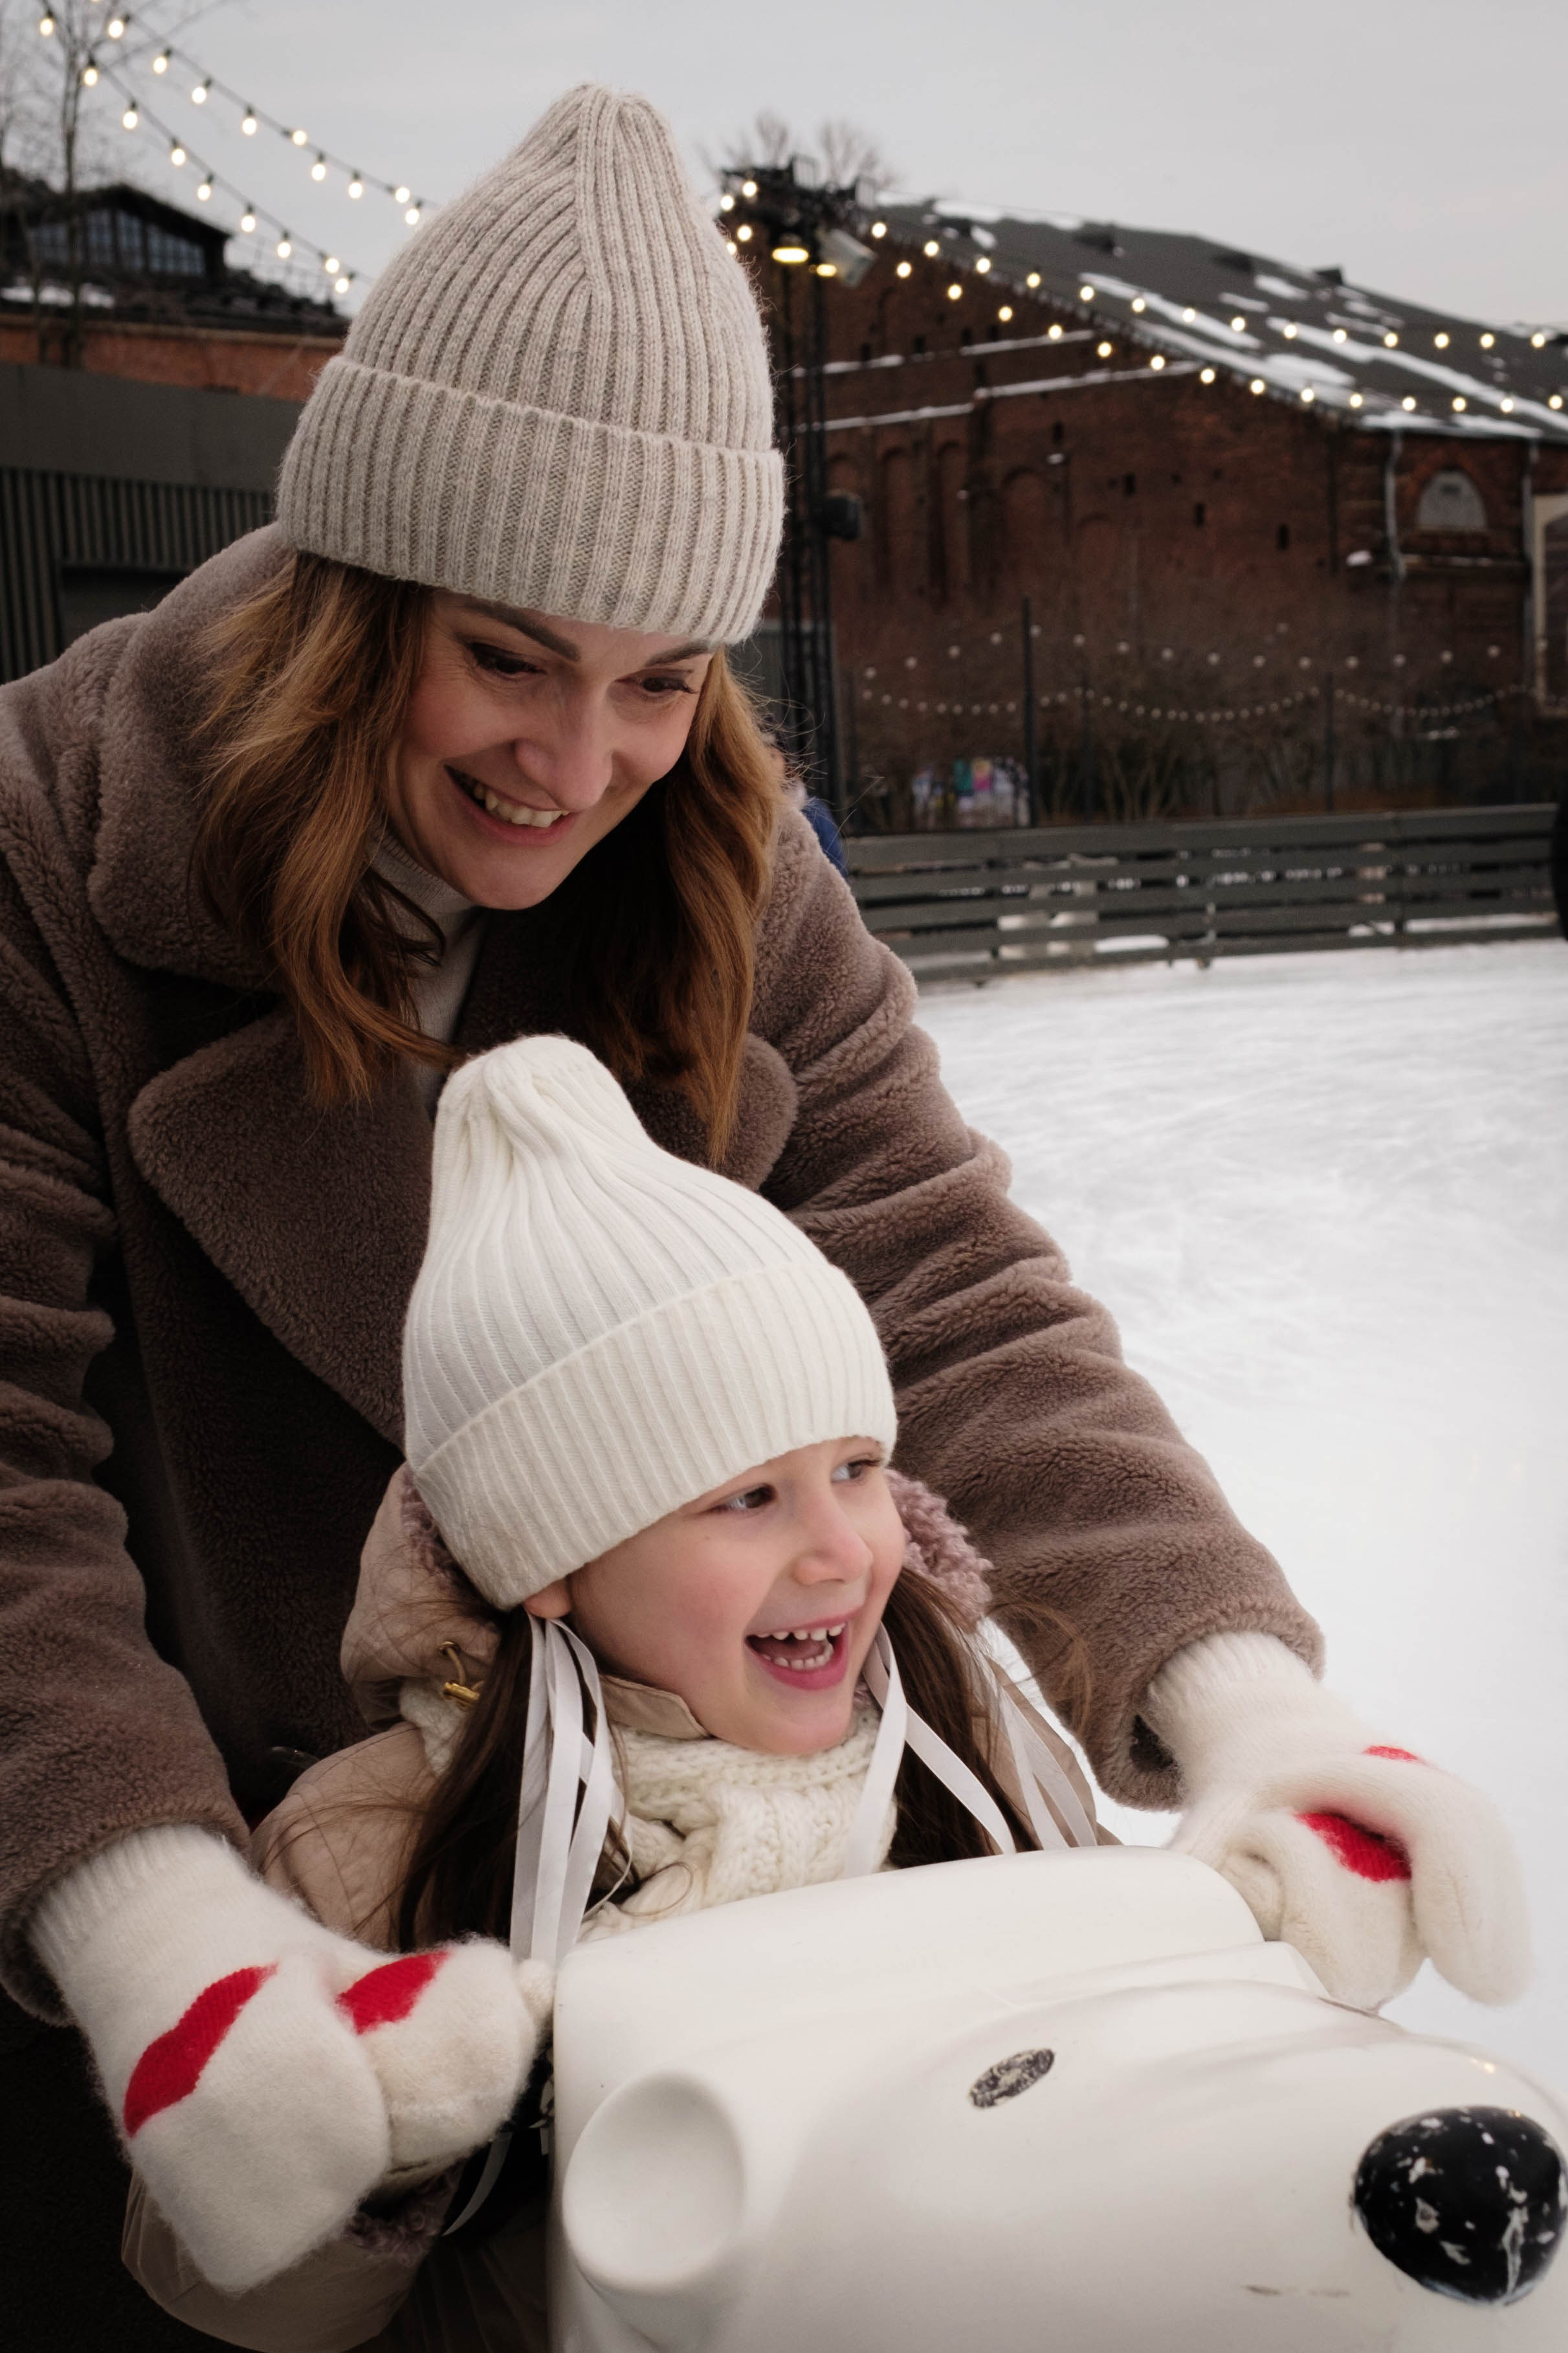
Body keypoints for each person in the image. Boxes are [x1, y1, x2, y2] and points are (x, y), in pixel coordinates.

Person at [0, 84, 1527, 2344]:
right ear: (354, 597)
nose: (577, 761)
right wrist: (164, 1938)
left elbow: (956, 1292)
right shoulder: (46, 851)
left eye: (661, 674)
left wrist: (1247, 1705)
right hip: (207, 1909)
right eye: (507, 655)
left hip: (666, 1893)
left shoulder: (721, 858)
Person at [121, 1032, 1109, 2348]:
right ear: (551, 1560)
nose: (841, 1549)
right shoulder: (368, 1850)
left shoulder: (963, 1736)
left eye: (858, 1467)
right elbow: (217, 2289)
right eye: (747, 1497)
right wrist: (366, 2142)